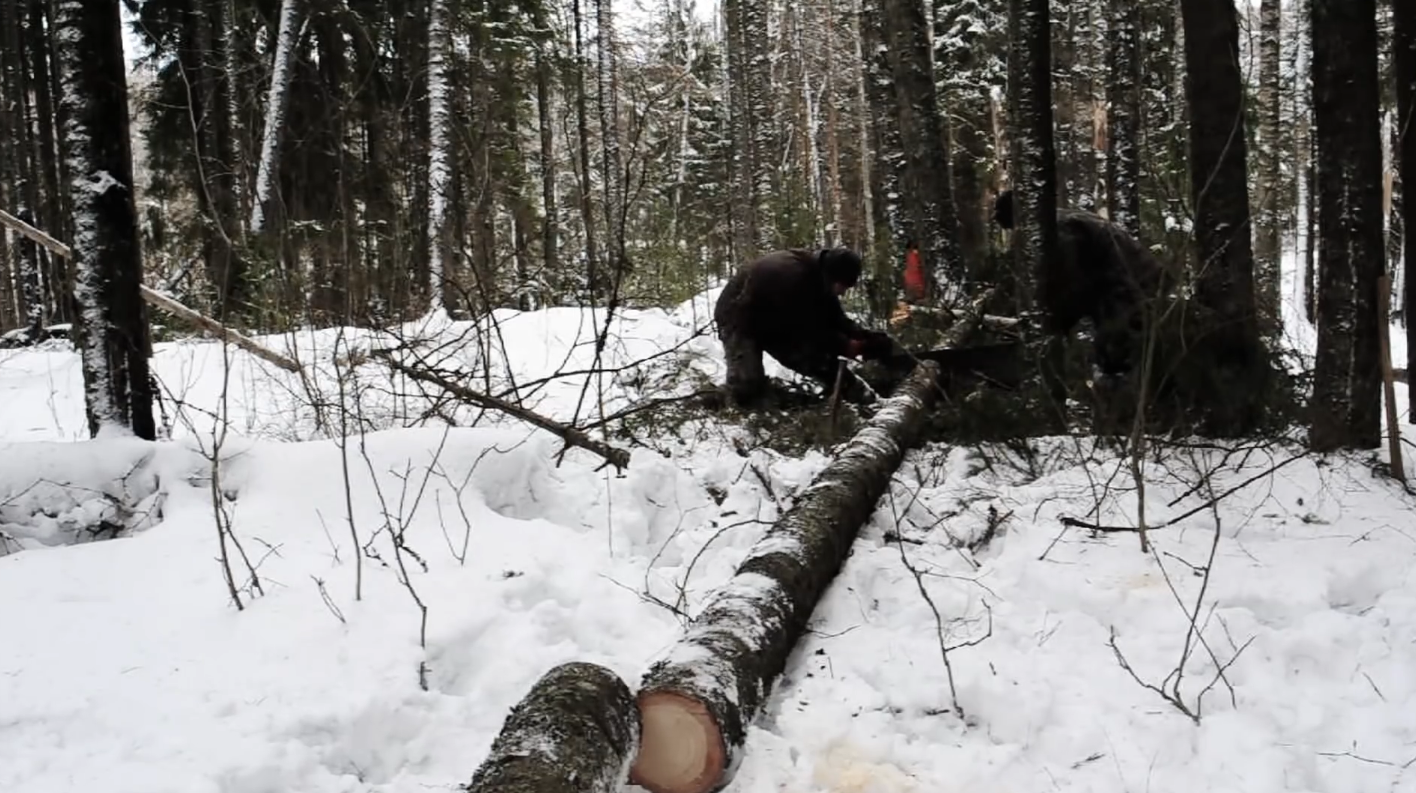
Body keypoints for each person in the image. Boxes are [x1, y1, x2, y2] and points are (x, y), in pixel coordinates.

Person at [992, 189, 1176, 378]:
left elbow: (1074, 280)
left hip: (1132, 282)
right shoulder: (1061, 219)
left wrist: (1058, 320)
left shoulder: (1059, 228)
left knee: (1120, 352)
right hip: (1129, 280)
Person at [714, 247, 896, 406]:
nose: (842, 293)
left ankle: (858, 396)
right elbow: (809, 332)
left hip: (774, 316)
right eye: (842, 286)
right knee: (746, 388)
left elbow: (835, 318)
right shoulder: (793, 278)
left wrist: (863, 336)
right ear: (833, 276)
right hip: (738, 317)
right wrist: (846, 346)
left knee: (816, 361)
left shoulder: (819, 275)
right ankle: (714, 401)